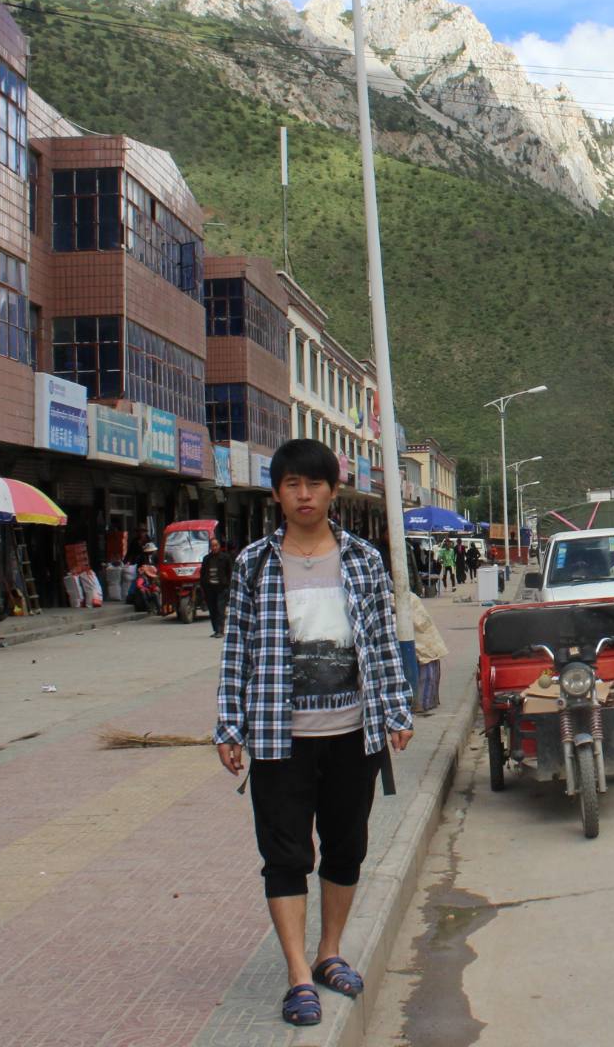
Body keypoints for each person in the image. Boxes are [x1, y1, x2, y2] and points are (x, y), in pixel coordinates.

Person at [214, 439, 413, 1029]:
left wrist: (397, 711)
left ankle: (330, 953)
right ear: (277, 493)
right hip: (280, 736)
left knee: (346, 845)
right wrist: (229, 724)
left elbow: (379, 642)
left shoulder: (362, 560)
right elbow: (237, 651)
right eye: (293, 485)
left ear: (333, 491)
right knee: (285, 853)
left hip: (354, 733)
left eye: (315, 484)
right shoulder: (254, 563)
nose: (305, 495)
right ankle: (299, 974)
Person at [201, 535, 234, 637]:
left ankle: (220, 630)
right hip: (210, 588)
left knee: (220, 609)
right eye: (212, 546)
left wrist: (228, 586)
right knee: (212, 609)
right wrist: (203, 585)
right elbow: (202, 573)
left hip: (222, 588)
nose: (214, 547)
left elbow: (230, 573)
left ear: (219, 546)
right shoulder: (206, 559)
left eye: (216, 545)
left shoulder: (225, 558)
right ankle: (215, 629)